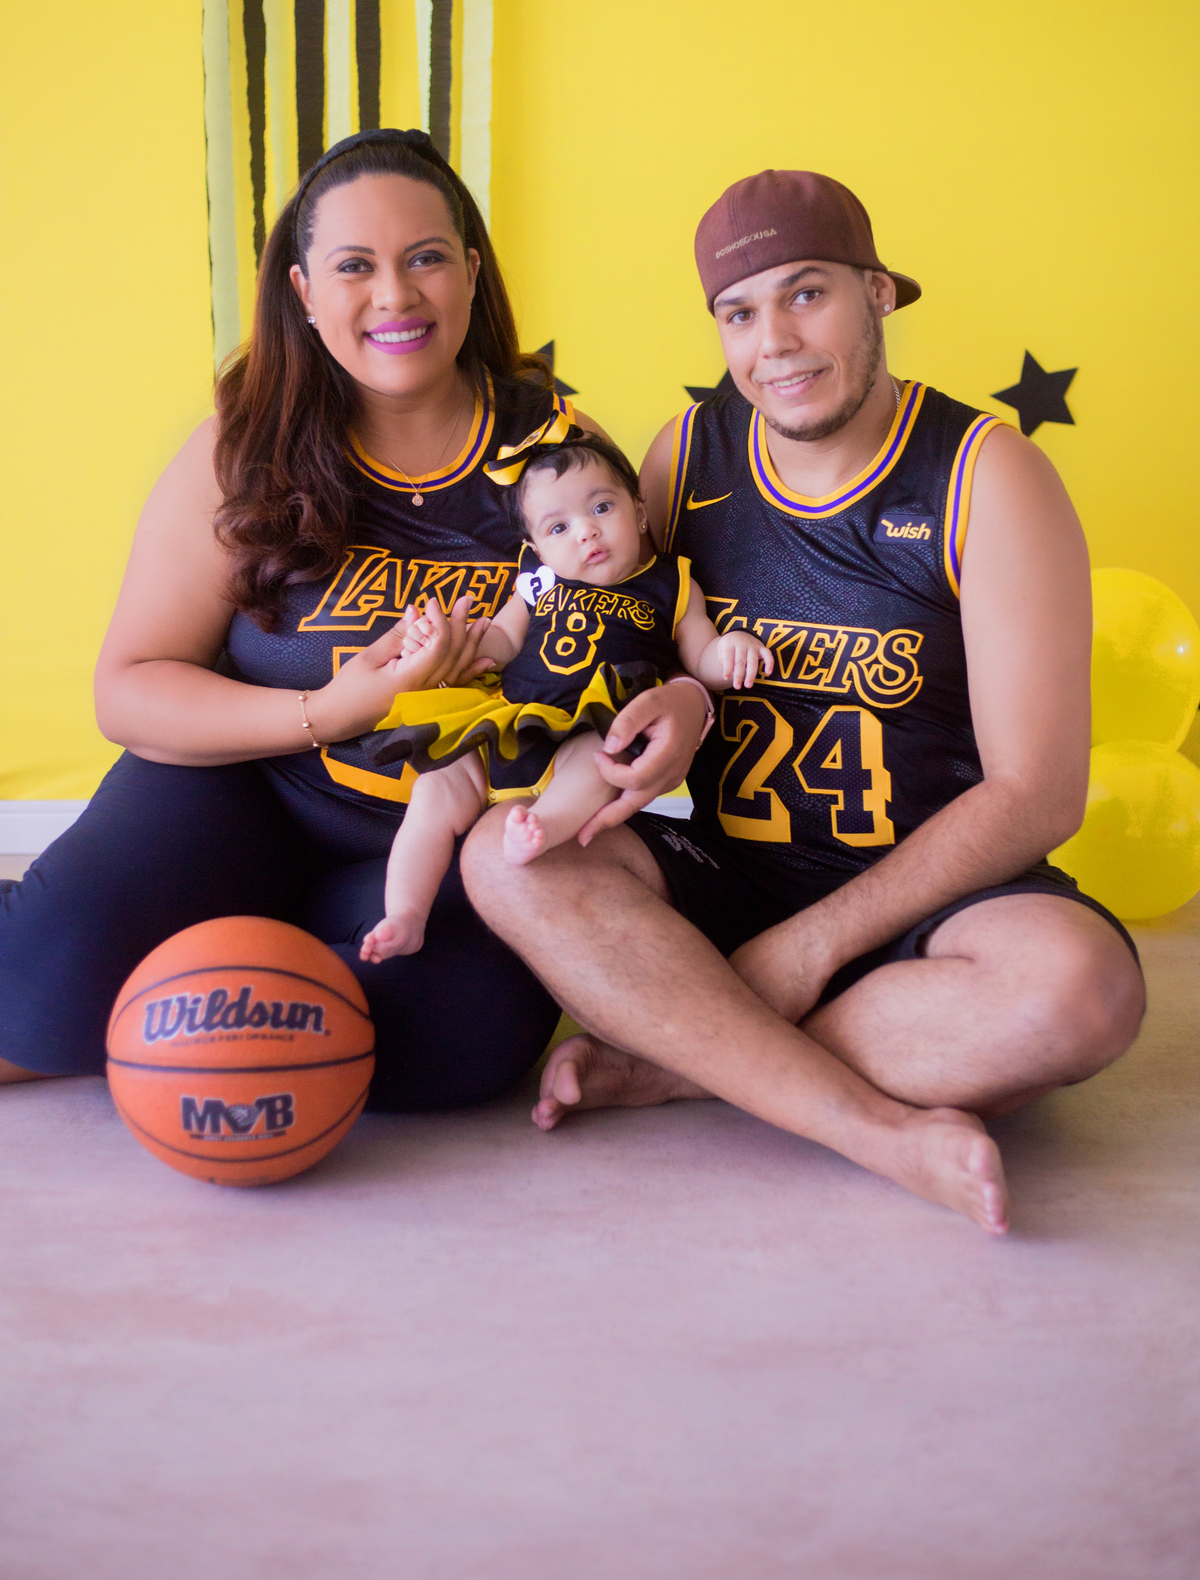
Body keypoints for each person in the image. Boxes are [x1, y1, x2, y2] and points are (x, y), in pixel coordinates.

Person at [461, 169, 1146, 1233]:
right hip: (731, 872)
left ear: (879, 293)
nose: (773, 339)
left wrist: (810, 950)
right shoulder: (685, 457)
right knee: (507, 858)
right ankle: (867, 1122)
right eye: (740, 311)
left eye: (807, 292)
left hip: (928, 896)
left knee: (1082, 992)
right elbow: (628, 642)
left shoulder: (985, 474)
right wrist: (680, 704)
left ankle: (686, 1063)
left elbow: (1038, 793)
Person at [0, 129, 708, 1110]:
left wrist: (681, 705)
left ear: (469, 270)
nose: (395, 297)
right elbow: (128, 686)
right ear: (302, 292)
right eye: (354, 267)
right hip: (240, 799)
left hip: (440, 834)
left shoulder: (557, 451)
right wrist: (329, 709)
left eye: (424, 258)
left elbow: (645, 620)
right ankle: (144, 948)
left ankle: (216, 964)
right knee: (41, 998)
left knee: (453, 1048)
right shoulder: (243, 449)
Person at [356, 431, 773, 959]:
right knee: (435, 790)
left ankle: (545, 825)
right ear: (536, 548)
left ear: (640, 512)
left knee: (601, 759)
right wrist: (459, 641)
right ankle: (406, 913)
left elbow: (700, 656)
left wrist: (731, 648)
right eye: (559, 527)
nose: (587, 533)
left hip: (596, 717)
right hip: (512, 714)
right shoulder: (538, 582)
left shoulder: (672, 582)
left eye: (602, 507)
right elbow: (503, 641)